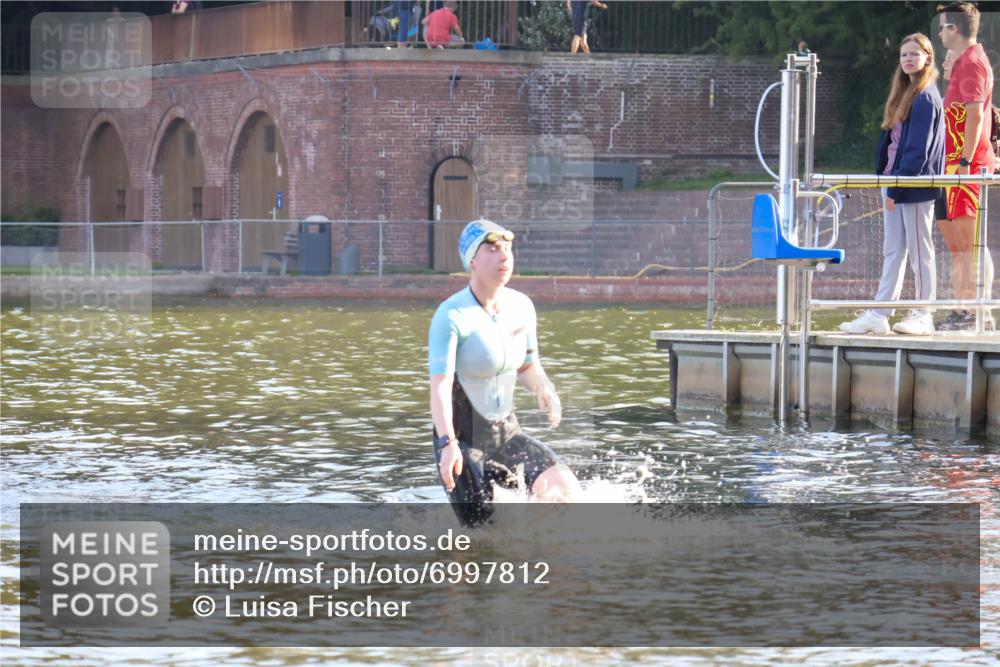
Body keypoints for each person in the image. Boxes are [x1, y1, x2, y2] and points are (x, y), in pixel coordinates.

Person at [428, 219, 581, 526]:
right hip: (463, 443)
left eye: (508, 249)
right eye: (492, 249)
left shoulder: (521, 306)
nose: (504, 256)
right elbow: (439, 388)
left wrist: (544, 387)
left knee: (565, 494)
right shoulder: (451, 315)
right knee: (484, 536)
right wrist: (447, 445)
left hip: (507, 435)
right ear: (472, 261)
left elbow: (528, 365)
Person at [840, 33, 944, 335]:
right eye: (903, 55)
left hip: (914, 186)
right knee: (893, 250)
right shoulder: (905, 92)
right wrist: (887, 181)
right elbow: (893, 143)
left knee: (919, 250)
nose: (908, 59)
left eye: (914, 54)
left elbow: (917, 151)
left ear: (928, 58)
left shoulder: (925, 97)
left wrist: (896, 189)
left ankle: (924, 313)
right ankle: (879, 312)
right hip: (894, 183)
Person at [936, 2, 995, 331]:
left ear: (954, 28)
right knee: (959, 247)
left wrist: (964, 161)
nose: (940, 33)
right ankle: (963, 310)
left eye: (943, 27)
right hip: (953, 168)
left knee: (970, 245)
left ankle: (974, 312)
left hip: (965, 168)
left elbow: (975, 116)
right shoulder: (963, 63)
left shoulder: (972, 62)